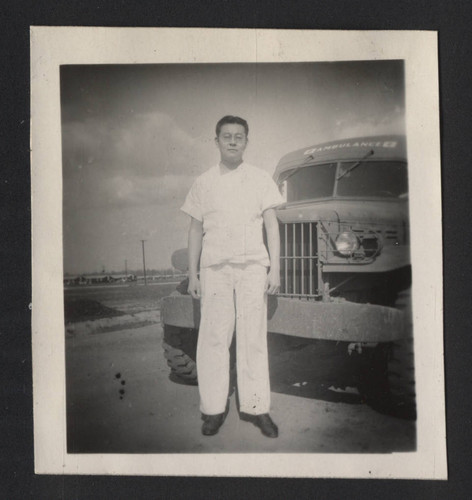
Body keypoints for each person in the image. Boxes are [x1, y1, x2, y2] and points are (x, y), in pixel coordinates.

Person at [181, 115, 283, 438]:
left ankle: (257, 408)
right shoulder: (203, 182)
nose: (233, 141)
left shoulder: (261, 179)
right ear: (217, 141)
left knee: (253, 337)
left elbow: (271, 226)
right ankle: (213, 409)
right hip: (214, 269)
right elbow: (195, 230)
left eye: (240, 136)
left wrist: (275, 268)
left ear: (246, 142)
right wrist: (193, 274)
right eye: (227, 136)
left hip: (252, 267)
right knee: (213, 337)